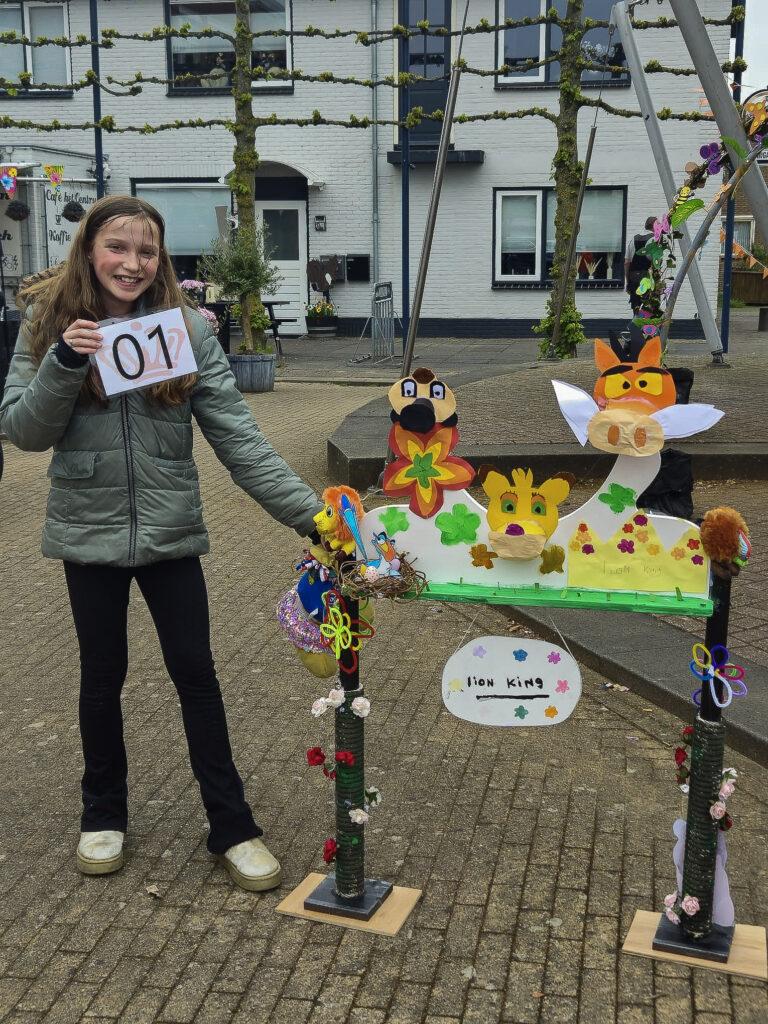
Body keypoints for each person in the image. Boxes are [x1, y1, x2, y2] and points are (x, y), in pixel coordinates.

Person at [0, 196, 321, 891]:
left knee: (196, 673)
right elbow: (23, 431)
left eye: (146, 251)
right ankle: (102, 814)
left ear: (161, 258)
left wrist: (315, 517)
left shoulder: (186, 329)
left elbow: (240, 439)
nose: (132, 263)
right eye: (117, 247)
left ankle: (232, 825)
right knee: (101, 676)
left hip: (171, 529)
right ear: (89, 250)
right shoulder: (48, 322)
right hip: (87, 531)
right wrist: (64, 360)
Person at [624, 215, 657, 314]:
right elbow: (656, 263)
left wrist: (628, 281)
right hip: (648, 278)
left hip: (634, 278)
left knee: (636, 307)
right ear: (655, 226)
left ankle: (636, 322)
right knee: (649, 309)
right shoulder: (655, 240)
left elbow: (626, 262)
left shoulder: (634, 239)